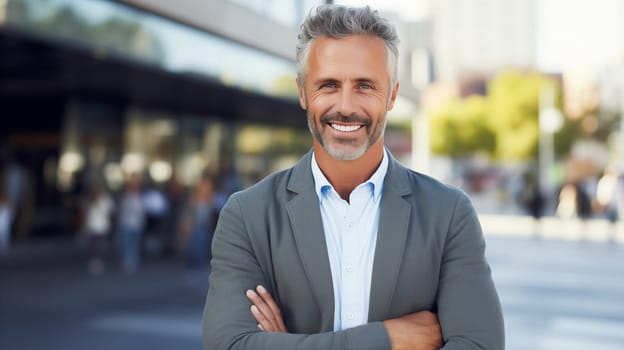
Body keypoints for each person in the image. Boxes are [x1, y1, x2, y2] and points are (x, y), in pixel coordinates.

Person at [202, 5, 504, 350]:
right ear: (302, 92)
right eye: (328, 85)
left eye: (365, 86)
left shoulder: (448, 214)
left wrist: (290, 344)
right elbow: (229, 346)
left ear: (391, 95)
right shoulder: (249, 216)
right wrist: (386, 339)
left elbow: (480, 346)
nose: (345, 105)